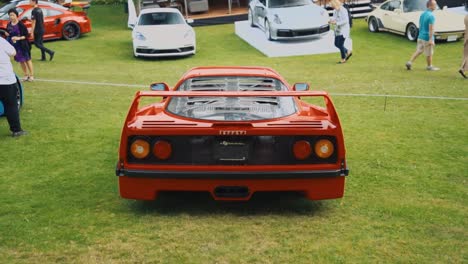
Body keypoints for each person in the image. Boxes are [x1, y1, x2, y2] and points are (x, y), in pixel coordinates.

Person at [0, 36, 27, 137]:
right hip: (5, 80)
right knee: (11, 105)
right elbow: (13, 52)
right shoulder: (1, 41)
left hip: (4, 79)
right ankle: (16, 130)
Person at [405, 0, 438, 71]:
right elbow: (431, 29)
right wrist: (430, 39)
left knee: (419, 50)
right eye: (434, 5)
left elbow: (420, 25)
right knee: (429, 53)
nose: (436, 6)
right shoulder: (431, 16)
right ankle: (429, 66)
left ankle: (409, 62)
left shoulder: (422, 14)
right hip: (426, 37)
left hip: (420, 36)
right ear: (430, 6)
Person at [6, 8, 34, 81]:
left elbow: (26, 35)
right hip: (15, 46)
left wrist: (18, 38)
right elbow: (9, 34)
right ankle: (26, 75)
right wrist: (9, 36)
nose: (11, 17)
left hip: (23, 44)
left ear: (16, 15)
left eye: (13, 15)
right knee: (21, 60)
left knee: (27, 60)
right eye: (10, 15)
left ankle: (31, 75)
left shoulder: (21, 24)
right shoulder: (9, 25)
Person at [458, 14, 468, 79]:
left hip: (466, 37)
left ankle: (462, 68)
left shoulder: (466, 16)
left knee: (465, 55)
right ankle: (463, 69)